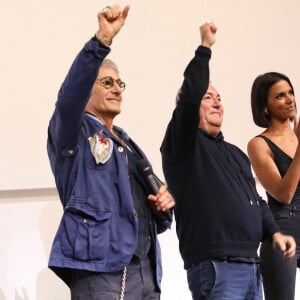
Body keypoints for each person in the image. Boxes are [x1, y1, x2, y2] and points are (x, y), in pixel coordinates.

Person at [160, 21, 296, 300]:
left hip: (250, 266)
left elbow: (257, 201)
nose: (217, 103)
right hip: (216, 267)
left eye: (219, 98)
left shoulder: (235, 153)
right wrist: (205, 48)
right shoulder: (183, 144)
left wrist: (275, 233)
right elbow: (189, 96)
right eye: (208, 98)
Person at [47, 4, 175, 300]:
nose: (117, 89)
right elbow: (69, 96)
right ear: (86, 91)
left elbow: (142, 203)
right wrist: (101, 42)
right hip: (101, 270)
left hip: (146, 269)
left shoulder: (128, 142)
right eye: (107, 82)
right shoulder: (73, 131)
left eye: (120, 84)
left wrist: (163, 204)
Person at [247, 72, 300, 300]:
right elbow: (283, 194)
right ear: (265, 107)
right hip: (283, 231)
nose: (289, 99)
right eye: (280, 96)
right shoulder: (258, 144)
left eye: (290, 93)